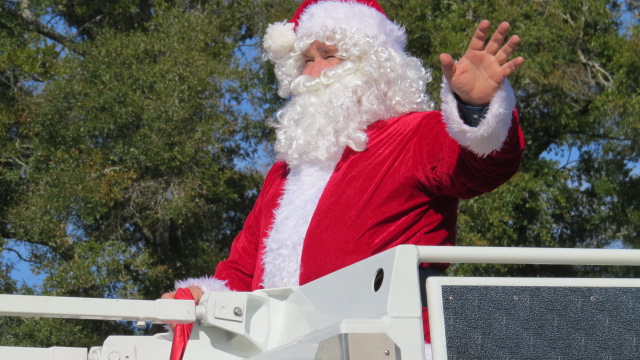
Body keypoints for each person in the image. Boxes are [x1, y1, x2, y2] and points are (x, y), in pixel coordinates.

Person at [162, 0, 525, 357]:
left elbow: (483, 164)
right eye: (306, 59)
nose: (314, 72)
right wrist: (201, 299)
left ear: (376, 66)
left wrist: (476, 108)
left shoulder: (412, 136)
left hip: (389, 347)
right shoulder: (283, 174)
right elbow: (241, 272)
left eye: (330, 55)